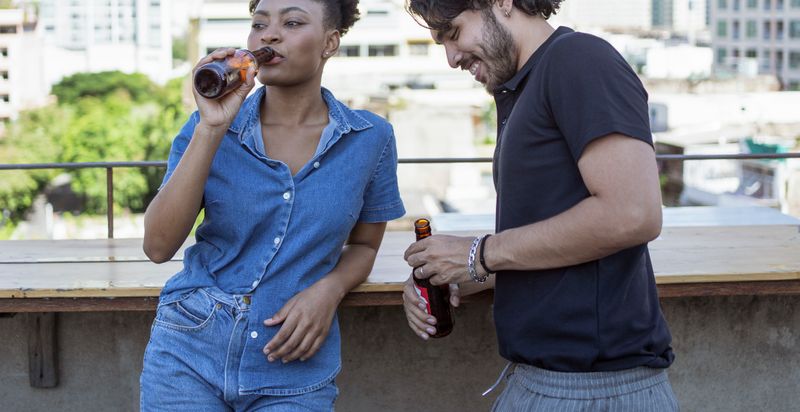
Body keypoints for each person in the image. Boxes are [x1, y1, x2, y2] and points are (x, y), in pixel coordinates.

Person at [402, 0, 679, 410]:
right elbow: (554, 245)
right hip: (543, 381)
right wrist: (457, 271)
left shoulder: (579, 59)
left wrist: (480, 254)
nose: (450, 57)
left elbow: (633, 213)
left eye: (454, 32)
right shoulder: (527, 86)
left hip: (594, 391)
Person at [140, 0, 404, 410]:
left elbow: (366, 246)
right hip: (186, 351)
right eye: (258, 24)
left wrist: (329, 290)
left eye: (293, 22)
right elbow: (157, 247)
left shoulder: (370, 138)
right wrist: (212, 126)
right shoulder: (207, 127)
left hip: (294, 367)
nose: (269, 34)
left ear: (330, 42)